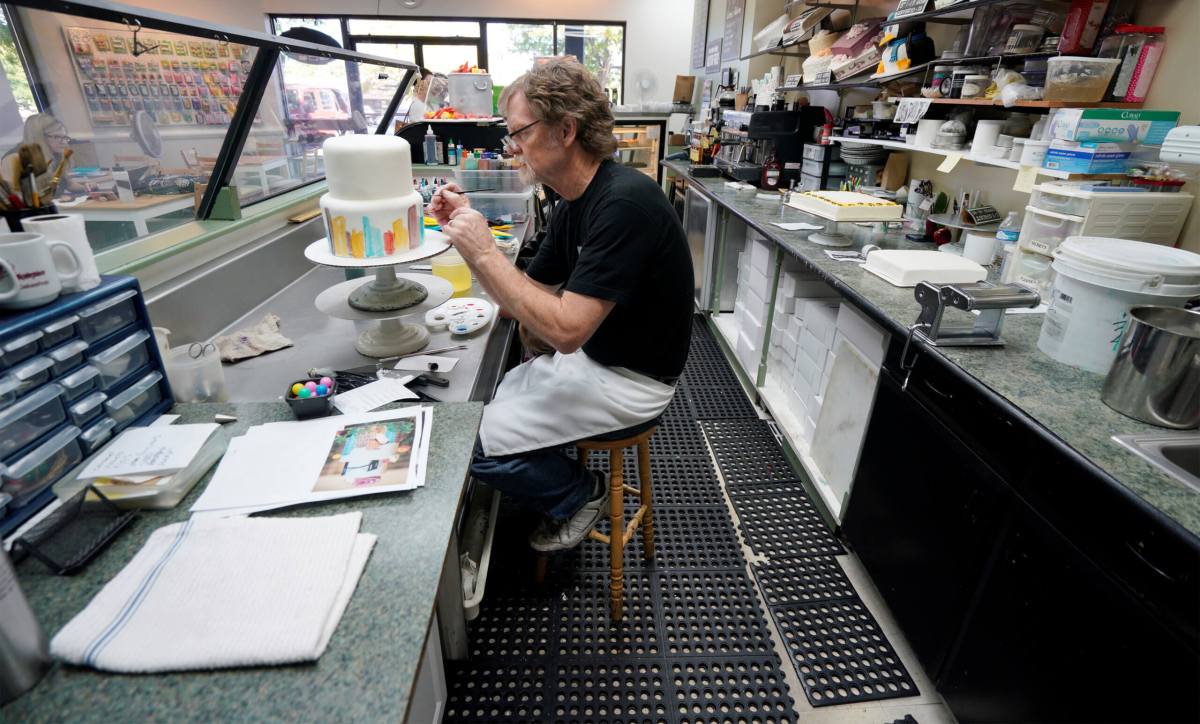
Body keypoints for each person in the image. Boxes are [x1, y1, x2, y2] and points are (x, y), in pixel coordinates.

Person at [430, 58, 693, 552]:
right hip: (598, 359)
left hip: (632, 381)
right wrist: (471, 237)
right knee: (491, 397)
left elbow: (566, 332)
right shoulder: (573, 200)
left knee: (466, 444)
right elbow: (522, 298)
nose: (513, 148)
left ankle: (578, 492)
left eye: (520, 134)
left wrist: (486, 252)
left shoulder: (624, 204)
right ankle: (552, 476)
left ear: (565, 130)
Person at [1, 113, 81, 199]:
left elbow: (67, 183)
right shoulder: (14, 159)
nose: (64, 142)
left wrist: (92, 187)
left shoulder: (55, 154)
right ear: (39, 137)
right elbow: (16, 198)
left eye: (64, 137)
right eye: (57, 137)